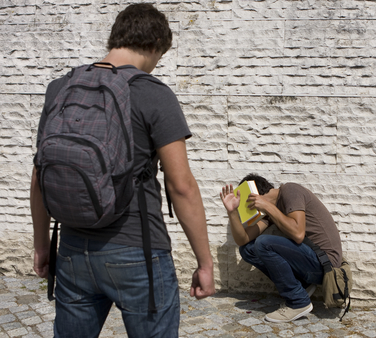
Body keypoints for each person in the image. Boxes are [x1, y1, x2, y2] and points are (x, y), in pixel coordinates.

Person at [30, 4, 215, 337]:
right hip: (138, 252)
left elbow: (39, 178)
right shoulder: (152, 92)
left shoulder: (61, 88)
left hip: (72, 251)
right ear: (156, 43)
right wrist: (205, 263)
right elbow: (181, 185)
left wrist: (43, 247)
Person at [220, 173, 342, 323]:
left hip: (326, 265)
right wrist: (232, 213)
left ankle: (298, 302)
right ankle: (302, 287)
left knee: (263, 242)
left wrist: (266, 206)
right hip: (311, 262)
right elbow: (243, 240)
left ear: (254, 194)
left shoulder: (291, 191)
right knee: (248, 249)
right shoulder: (272, 211)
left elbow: (298, 233)